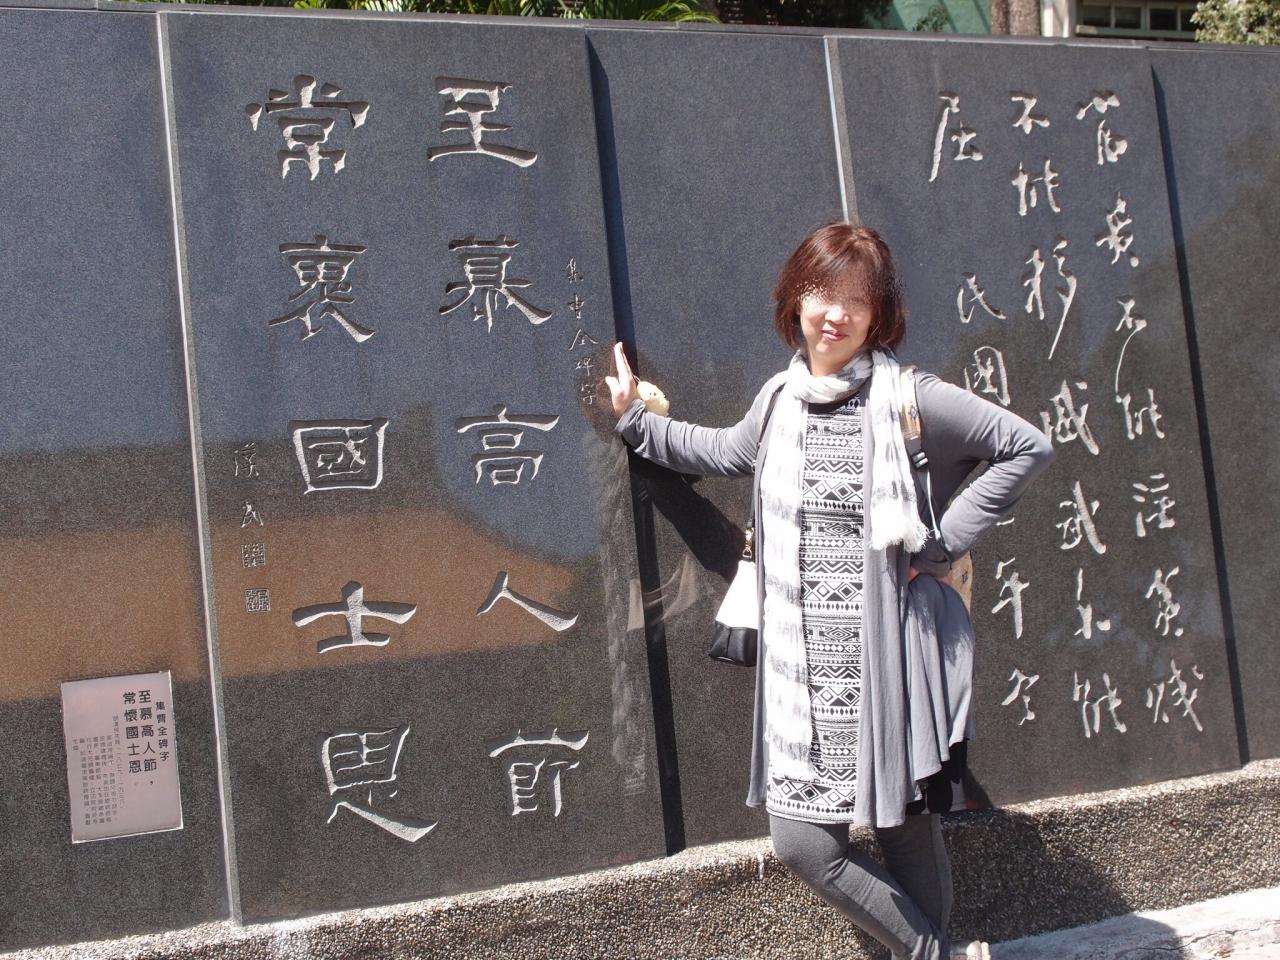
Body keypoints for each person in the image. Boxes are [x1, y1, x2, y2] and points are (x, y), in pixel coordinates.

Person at [605, 221, 1055, 960]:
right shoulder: (780, 398)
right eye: (822, 291)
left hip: (886, 655)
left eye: (858, 299)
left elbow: (1024, 446)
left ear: (880, 315)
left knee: (896, 828)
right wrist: (634, 421)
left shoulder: (909, 398)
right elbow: (721, 450)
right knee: (812, 841)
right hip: (801, 672)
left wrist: (936, 544)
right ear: (796, 298)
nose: (837, 313)